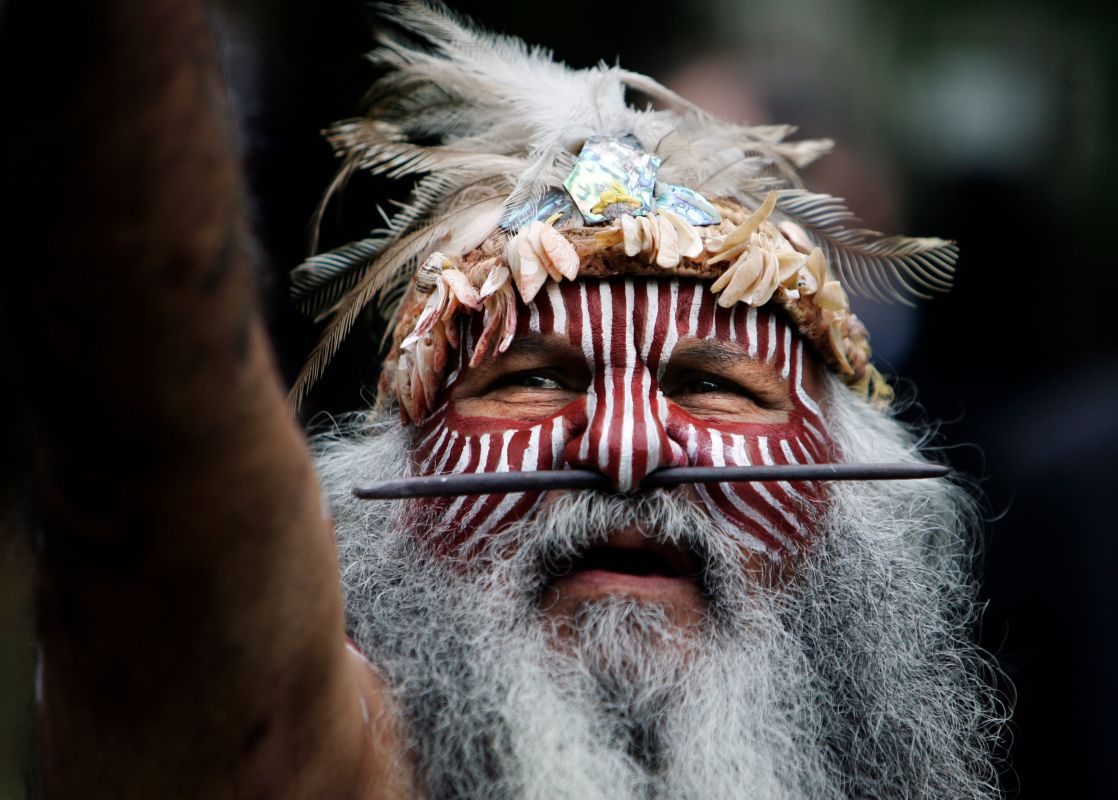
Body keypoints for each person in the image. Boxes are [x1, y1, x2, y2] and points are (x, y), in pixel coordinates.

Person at [0, 1, 1004, 798]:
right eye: (531, 378)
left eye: (711, 385)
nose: (623, 450)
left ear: (844, 485)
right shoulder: (317, 766)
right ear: (402, 476)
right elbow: (156, 475)